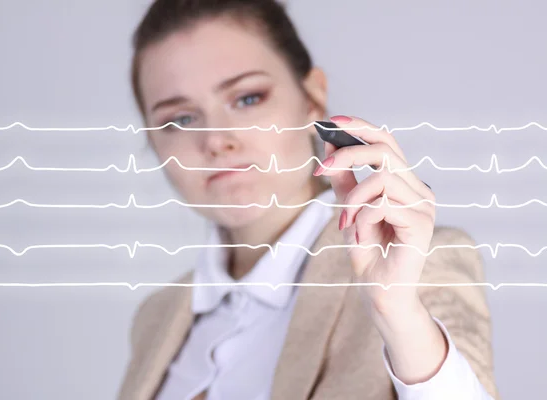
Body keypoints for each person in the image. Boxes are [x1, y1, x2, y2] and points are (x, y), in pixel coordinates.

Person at [118, 0, 500, 399]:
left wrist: (399, 317)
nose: (216, 140)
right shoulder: (157, 317)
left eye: (247, 98)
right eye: (180, 119)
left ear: (313, 98)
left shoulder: (417, 264)